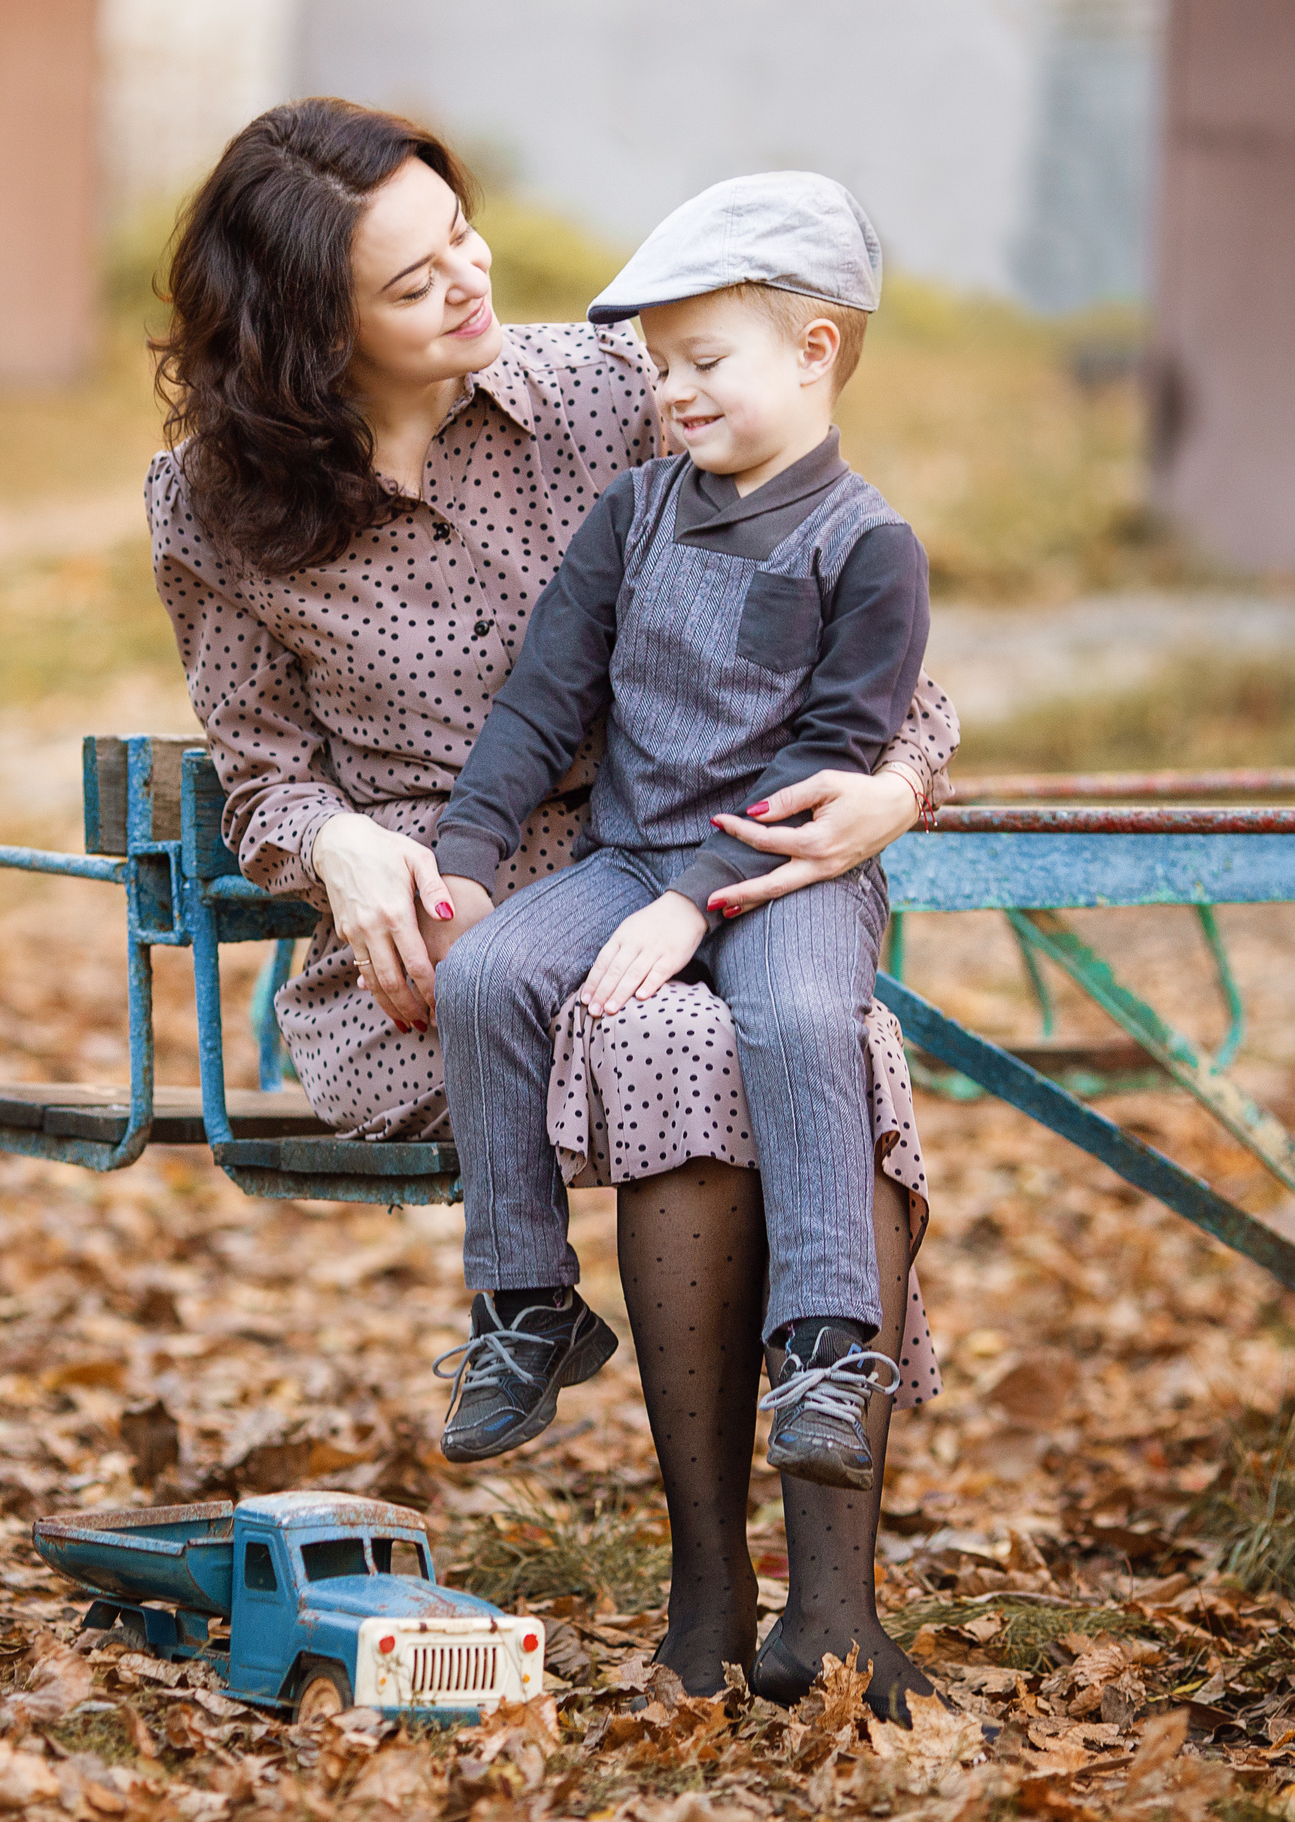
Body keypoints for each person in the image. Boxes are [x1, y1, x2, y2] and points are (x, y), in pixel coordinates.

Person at [148, 98, 944, 1718]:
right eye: (411, 277)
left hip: (717, 863)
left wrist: (899, 789)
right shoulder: (213, 510)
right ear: (309, 337)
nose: (471, 277)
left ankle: (827, 1609)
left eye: (462, 230)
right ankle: (717, 1586)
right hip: (460, 949)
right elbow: (262, 774)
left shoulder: (605, 392)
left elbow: (859, 632)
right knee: (675, 1045)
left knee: (790, 1026)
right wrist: (344, 849)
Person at [434, 172, 919, 1505]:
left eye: (704, 359)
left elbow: (829, 752)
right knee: (483, 975)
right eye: (659, 367)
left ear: (816, 353)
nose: (672, 391)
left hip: (785, 868)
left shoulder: (869, 548)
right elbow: (543, 699)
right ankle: (526, 1302)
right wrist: (468, 854)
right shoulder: (632, 517)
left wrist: (701, 904)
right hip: (637, 858)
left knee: (799, 1020)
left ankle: (826, 1343)